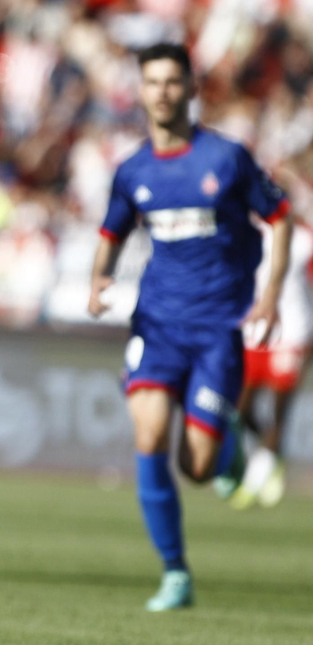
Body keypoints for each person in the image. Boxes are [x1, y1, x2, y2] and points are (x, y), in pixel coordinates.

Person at [89, 42, 290, 611]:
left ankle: (225, 456)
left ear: (192, 88)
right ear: (141, 90)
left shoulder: (225, 159)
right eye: (152, 82)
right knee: (148, 434)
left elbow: (281, 216)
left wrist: (270, 294)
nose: (162, 92)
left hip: (217, 330)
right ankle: (175, 573)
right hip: (156, 324)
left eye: (173, 81)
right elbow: (113, 228)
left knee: (195, 467)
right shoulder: (133, 170)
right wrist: (97, 279)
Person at [231, 219, 311, 509]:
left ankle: (256, 479)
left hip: (292, 332)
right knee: (240, 410)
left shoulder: (304, 240)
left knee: (279, 410)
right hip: (256, 332)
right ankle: (270, 454)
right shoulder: (250, 234)